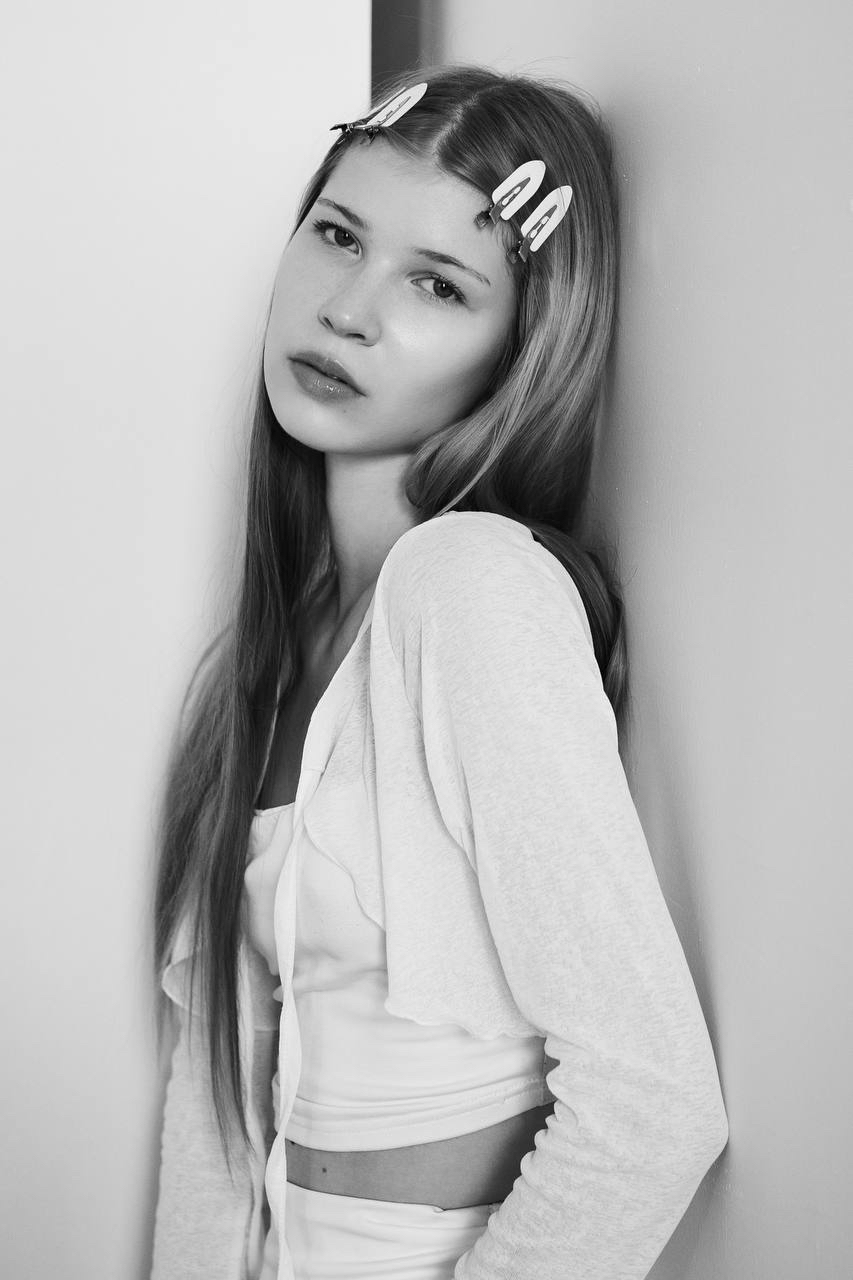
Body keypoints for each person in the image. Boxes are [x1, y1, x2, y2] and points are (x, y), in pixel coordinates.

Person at [149, 64, 729, 1280]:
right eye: (337, 235)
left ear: (520, 346)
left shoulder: (470, 585)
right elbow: (215, 1112)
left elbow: (654, 1102)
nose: (347, 311)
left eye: (437, 283)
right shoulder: (260, 656)